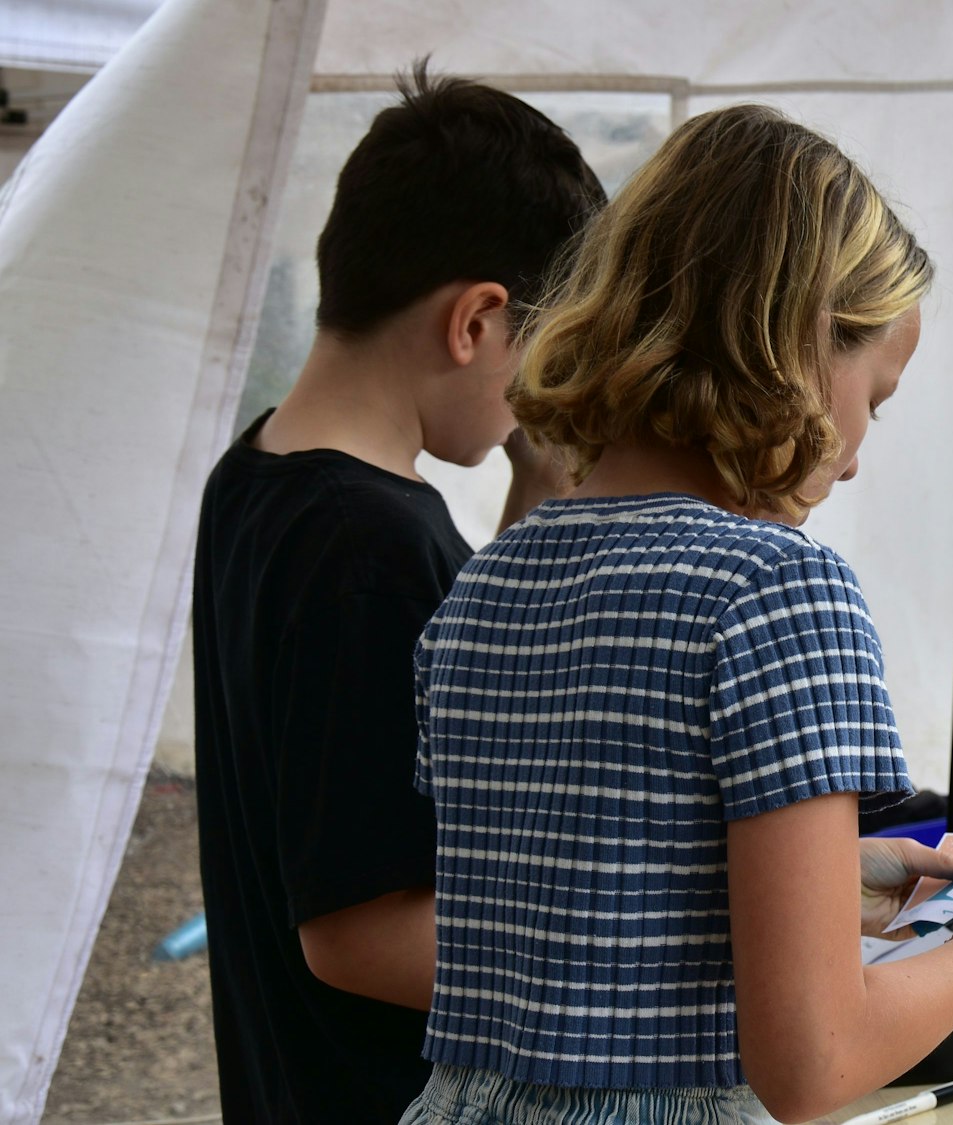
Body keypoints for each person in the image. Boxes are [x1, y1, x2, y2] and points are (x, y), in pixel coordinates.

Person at [400, 104, 953, 1125]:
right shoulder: (779, 590)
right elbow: (815, 1063)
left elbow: (587, 887)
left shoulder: (492, 579)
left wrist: (846, 874)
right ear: (794, 346)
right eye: (873, 397)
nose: (857, 451)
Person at [190, 63, 607, 1121]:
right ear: (475, 322)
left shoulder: (258, 475)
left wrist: (543, 490)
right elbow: (360, 934)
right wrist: (634, 981)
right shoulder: (365, 545)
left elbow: (466, 711)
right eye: (542, 350)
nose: (539, 392)